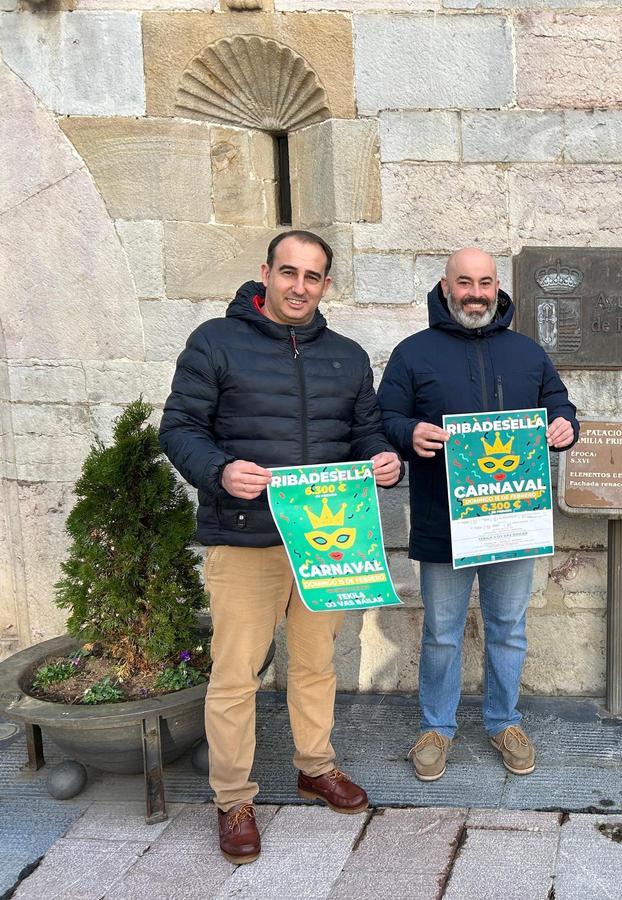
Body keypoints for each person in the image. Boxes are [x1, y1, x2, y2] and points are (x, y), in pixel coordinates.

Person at [159, 230, 402, 864]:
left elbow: (365, 430)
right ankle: (233, 798)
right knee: (236, 673)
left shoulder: (347, 356)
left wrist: (381, 459)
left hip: (328, 542)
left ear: (327, 285)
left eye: (313, 276)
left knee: (316, 661)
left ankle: (315, 766)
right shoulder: (215, 341)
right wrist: (218, 472)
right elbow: (180, 426)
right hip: (245, 537)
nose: (299, 286)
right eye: (288, 272)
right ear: (265, 271)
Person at [377, 247, 578, 783]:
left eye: (485, 282)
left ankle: (503, 721)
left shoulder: (527, 352)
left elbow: (560, 404)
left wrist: (564, 426)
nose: (475, 293)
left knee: (508, 627)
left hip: (512, 518)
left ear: (497, 288)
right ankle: (437, 727)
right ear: (446, 288)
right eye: (464, 282)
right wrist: (406, 433)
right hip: (442, 520)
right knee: (442, 631)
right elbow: (385, 417)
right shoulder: (413, 353)